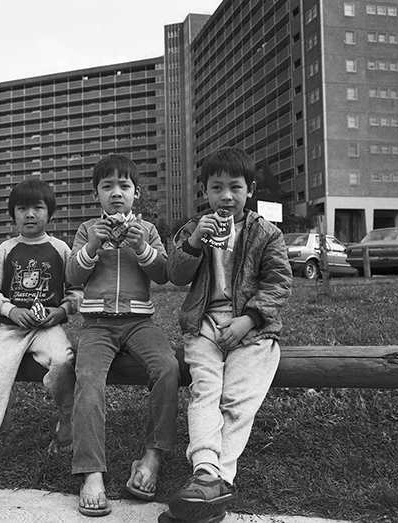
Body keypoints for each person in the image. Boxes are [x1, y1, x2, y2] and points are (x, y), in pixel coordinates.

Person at [162, 147, 292, 523]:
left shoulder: (266, 232)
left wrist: (248, 320)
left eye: (235, 187)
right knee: (205, 389)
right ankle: (206, 474)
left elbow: (279, 282)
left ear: (249, 190)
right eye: (216, 188)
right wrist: (193, 243)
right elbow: (176, 275)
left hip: (253, 329)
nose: (226, 197)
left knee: (237, 399)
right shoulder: (194, 229)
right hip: (204, 323)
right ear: (205, 192)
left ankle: (211, 482)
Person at [67, 155, 180, 517]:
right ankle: (91, 472)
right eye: (107, 187)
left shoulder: (146, 230)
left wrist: (141, 248)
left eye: (124, 186)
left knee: (167, 368)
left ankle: (152, 455)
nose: (116, 193)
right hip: (97, 324)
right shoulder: (88, 229)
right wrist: (90, 248)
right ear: (96, 194)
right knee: (87, 379)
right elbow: (72, 275)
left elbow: (163, 274)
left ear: (136, 193)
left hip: (139, 323)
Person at [0, 178, 80, 499]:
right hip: (12, 329)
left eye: (37, 207)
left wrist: (61, 311)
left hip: (47, 327)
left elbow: (76, 290)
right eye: (22, 208)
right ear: (13, 214)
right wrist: (11, 311)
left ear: (49, 213)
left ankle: (66, 421)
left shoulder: (61, 249)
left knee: (64, 361)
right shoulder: (6, 250)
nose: (29, 214)